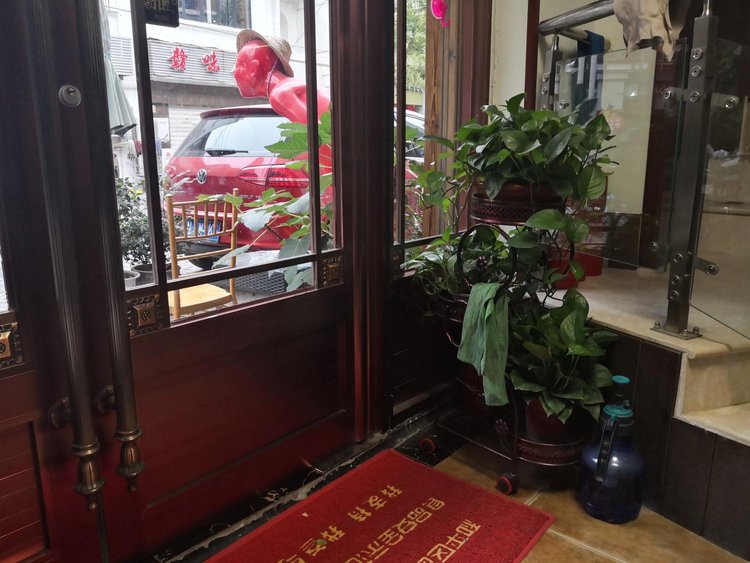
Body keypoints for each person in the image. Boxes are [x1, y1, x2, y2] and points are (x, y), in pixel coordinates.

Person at [233, 30, 330, 124]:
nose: (233, 72)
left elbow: (317, 132)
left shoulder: (279, 93)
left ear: (253, 69)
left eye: (238, 65)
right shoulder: (287, 85)